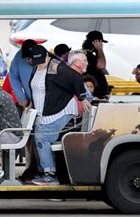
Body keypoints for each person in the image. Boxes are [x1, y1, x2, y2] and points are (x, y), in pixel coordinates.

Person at [29, 45, 91, 185]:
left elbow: (74, 77)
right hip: (43, 112)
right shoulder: (36, 67)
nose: (40, 64)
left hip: (59, 109)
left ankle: (49, 174)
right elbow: (37, 89)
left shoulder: (57, 67)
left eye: (41, 60)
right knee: (40, 139)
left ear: (47, 56)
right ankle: (46, 171)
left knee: (42, 138)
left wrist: (81, 97)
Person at [8, 39, 39, 183]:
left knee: (40, 137)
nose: (28, 60)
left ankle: (38, 169)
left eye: (30, 58)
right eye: (26, 58)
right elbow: (13, 76)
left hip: (44, 102)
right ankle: (31, 167)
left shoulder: (44, 56)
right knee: (26, 135)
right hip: (27, 103)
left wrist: (37, 99)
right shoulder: (18, 57)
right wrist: (21, 97)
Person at [82, 31, 109, 99]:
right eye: (101, 42)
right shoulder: (88, 55)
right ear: (96, 42)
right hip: (94, 95)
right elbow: (101, 65)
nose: (102, 44)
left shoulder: (88, 55)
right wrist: (99, 49)